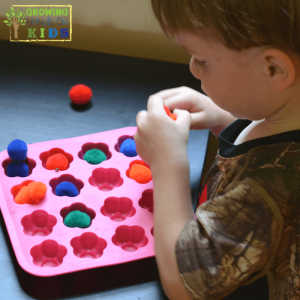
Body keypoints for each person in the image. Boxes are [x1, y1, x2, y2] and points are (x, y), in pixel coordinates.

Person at [133, 1, 300, 300]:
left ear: (273, 69)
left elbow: (182, 286)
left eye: (202, 59)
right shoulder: (285, 110)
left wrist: (168, 163)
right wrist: (229, 120)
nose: (192, 67)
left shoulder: (265, 190)